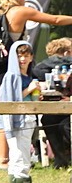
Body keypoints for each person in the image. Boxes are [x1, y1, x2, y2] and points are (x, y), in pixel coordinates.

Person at [0, 41, 47, 183]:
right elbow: (11, 101)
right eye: (19, 56)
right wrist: (29, 89)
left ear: (32, 57)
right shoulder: (12, 76)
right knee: (21, 157)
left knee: (17, 157)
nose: (23, 59)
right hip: (18, 122)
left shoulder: (28, 76)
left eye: (26, 55)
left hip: (28, 119)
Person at [32, 37, 72, 169]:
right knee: (50, 120)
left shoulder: (40, 67)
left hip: (60, 104)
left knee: (60, 123)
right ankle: (61, 159)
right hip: (58, 104)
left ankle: (61, 159)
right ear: (66, 53)